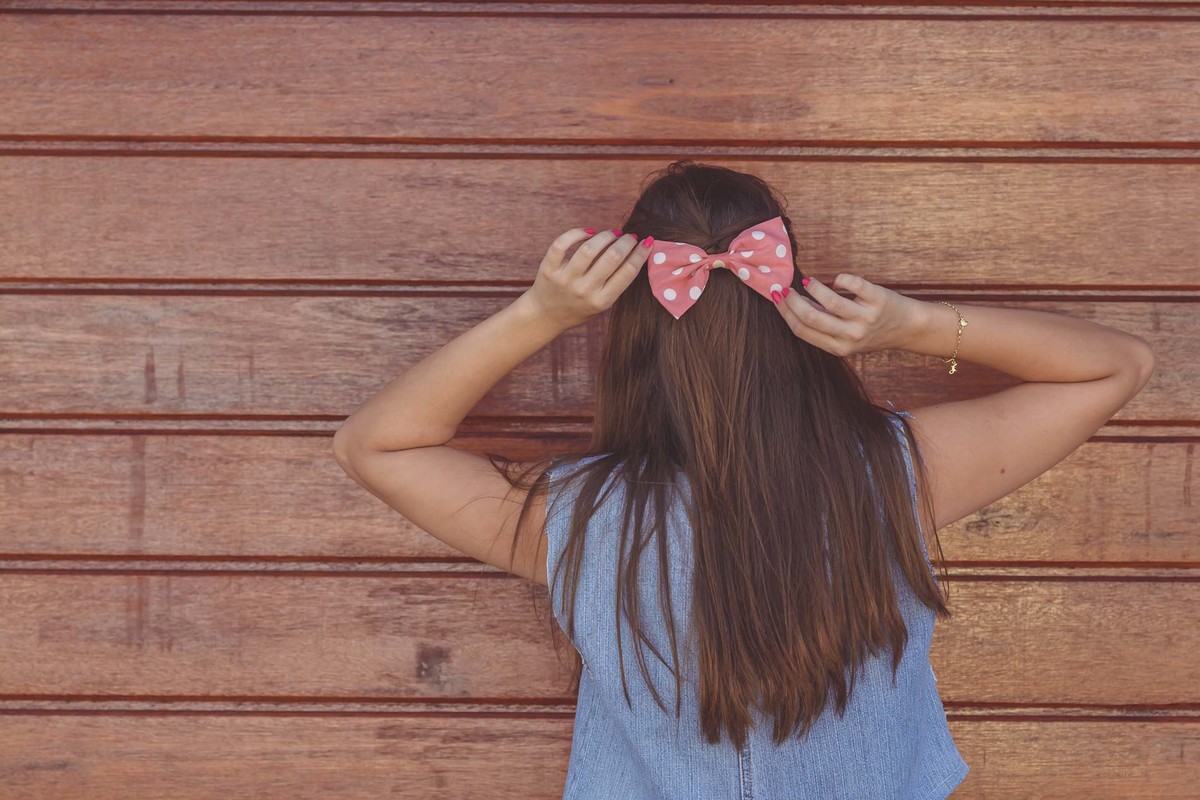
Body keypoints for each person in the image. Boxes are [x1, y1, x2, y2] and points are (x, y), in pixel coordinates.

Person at [331, 159, 1155, 799]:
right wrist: (916, 324)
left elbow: (377, 446)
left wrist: (540, 314)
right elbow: (1115, 367)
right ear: (786, 296)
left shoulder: (571, 518)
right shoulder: (899, 474)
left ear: (630, 333)